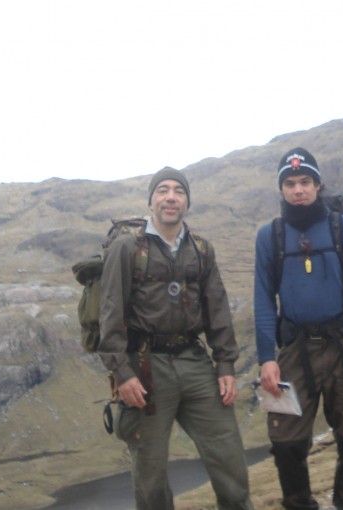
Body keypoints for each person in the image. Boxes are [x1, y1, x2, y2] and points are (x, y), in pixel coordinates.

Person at [98, 167, 254, 510]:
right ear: (151, 201)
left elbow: (217, 309)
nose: (171, 197)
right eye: (163, 191)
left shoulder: (201, 249)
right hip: (146, 368)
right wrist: (123, 373)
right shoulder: (127, 248)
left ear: (187, 201)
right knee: (150, 472)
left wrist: (225, 364)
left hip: (194, 361)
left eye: (178, 191)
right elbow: (110, 315)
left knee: (228, 456)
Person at [254, 148, 343, 510]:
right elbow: (264, 300)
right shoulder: (270, 237)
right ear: (281, 189)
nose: (298, 190)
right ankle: (299, 504)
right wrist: (266, 358)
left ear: (318, 184)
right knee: (286, 441)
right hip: (295, 350)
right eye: (290, 183)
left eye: (305, 181)